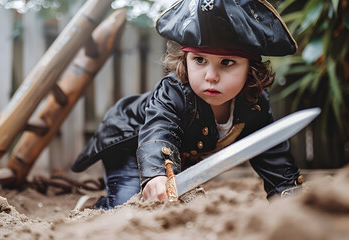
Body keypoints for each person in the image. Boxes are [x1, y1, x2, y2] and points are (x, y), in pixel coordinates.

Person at [72, 0, 303, 209]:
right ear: (186, 60)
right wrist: (157, 174)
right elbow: (158, 130)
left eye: (227, 62)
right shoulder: (173, 93)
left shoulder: (254, 104)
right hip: (129, 139)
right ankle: (96, 206)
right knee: (132, 207)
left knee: (170, 198)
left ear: (250, 69)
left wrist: (287, 193)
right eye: (200, 60)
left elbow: (271, 153)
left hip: (175, 151)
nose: (211, 76)